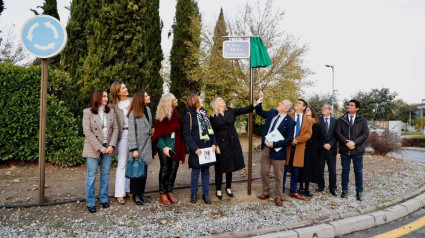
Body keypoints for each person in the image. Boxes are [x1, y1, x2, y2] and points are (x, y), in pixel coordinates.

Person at [209, 96, 262, 199]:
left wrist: (257, 103)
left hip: (232, 141)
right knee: (219, 167)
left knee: (230, 166)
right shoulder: (212, 116)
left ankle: (228, 187)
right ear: (215, 103)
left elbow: (244, 109)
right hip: (221, 143)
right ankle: (218, 189)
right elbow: (212, 132)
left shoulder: (231, 111)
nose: (223, 100)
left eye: (222, 99)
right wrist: (216, 145)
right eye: (220, 99)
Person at [256, 91, 295, 206]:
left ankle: (278, 196)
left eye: (282, 103)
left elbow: (289, 139)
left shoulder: (291, 122)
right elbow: (259, 112)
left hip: (278, 151)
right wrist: (260, 101)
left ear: (286, 109)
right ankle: (266, 192)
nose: (279, 103)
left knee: (278, 175)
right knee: (264, 172)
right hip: (266, 149)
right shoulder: (272, 112)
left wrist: (276, 144)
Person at [82, 89, 119, 213]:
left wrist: (111, 145)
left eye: (107, 96)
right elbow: (87, 131)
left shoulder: (111, 111)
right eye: (104, 96)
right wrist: (100, 147)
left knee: (106, 173)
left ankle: (104, 199)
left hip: (108, 146)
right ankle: (91, 202)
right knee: (91, 174)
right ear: (97, 97)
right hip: (93, 146)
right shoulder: (87, 112)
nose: (106, 98)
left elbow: (116, 129)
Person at [152, 93, 186, 205]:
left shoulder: (175, 113)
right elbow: (158, 135)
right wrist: (164, 147)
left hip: (175, 145)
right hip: (165, 146)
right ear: (168, 102)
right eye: (174, 99)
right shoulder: (162, 117)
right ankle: (162, 192)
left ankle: (169, 191)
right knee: (165, 169)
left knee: (174, 168)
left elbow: (178, 129)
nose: (177, 100)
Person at [183, 94, 217, 204]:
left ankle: (205, 194)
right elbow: (187, 134)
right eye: (200, 99)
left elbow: (211, 130)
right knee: (196, 171)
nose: (202, 100)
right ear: (195, 102)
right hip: (197, 149)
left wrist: (214, 143)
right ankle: (193, 193)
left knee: (206, 171)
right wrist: (194, 148)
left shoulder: (204, 114)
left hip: (207, 147)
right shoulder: (189, 115)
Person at [335, 99, 369, 201]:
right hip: (345, 150)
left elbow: (365, 133)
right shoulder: (341, 119)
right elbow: (338, 132)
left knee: (358, 171)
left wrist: (354, 142)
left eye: (351, 105)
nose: (348, 106)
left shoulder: (362, 120)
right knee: (345, 171)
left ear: (357, 108)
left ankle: (359, 191)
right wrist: (346, 142)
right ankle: (344, 190)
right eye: (348, 105)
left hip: (357, 150)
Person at [127, 90, 154, 205]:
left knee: (144, 171)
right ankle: (135, 195)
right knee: (136, 172)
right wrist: (134, 149)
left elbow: (150, 124)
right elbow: (132, 133)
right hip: (138, 146)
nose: (149, 97)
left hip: (147, 145)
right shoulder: (133, 113)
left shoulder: (147, 110)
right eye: (146, 96)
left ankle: (142, 193)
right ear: (140, 99)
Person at [283, 99, 313, 200]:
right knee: (284, 168)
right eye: (296, 102)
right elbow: (282, 130)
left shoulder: (308, 119)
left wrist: (296, 140)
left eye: (299, 103)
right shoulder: (288, 116)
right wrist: (289, 140)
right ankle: (281, 191)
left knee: (296, 170)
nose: (296, 104)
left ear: (304, 107)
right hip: (287, 146)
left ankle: (293, 191)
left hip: (299, 147)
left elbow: (308, 134)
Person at [110, 81, 132, 204]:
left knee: (131, 162)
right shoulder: (113, 106)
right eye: (123, 88)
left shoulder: (133, 101)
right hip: (122, 135)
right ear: (117, 92)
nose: (126, 89)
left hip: (133, 134)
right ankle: (119, 193)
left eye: (125, 87)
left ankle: (128, 189)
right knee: (122, 163)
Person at [298, 107, 322, 197]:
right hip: (301, 147)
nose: (306, 111)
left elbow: (320, 138)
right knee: (301, 168)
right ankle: (300, 187)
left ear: (312, 112)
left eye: (308, 110)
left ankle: (307, 188)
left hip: (311, 150)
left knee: (309, 169)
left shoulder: (317, 124)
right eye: (305, 110)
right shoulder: (301, 122)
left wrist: (316, 147)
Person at [318, 104, 338, 196]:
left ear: (330, 111)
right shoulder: (318, 120)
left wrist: (330, 144)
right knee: (320, 169)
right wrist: (323, 144)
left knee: (332, 169)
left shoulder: (335, 121)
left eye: (325, 108)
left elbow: (337, 134)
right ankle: (321, 185)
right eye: (322, 108)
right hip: (321, 149)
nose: (323, 109)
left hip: (331, 149)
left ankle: (333, 187)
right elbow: (316, 135)